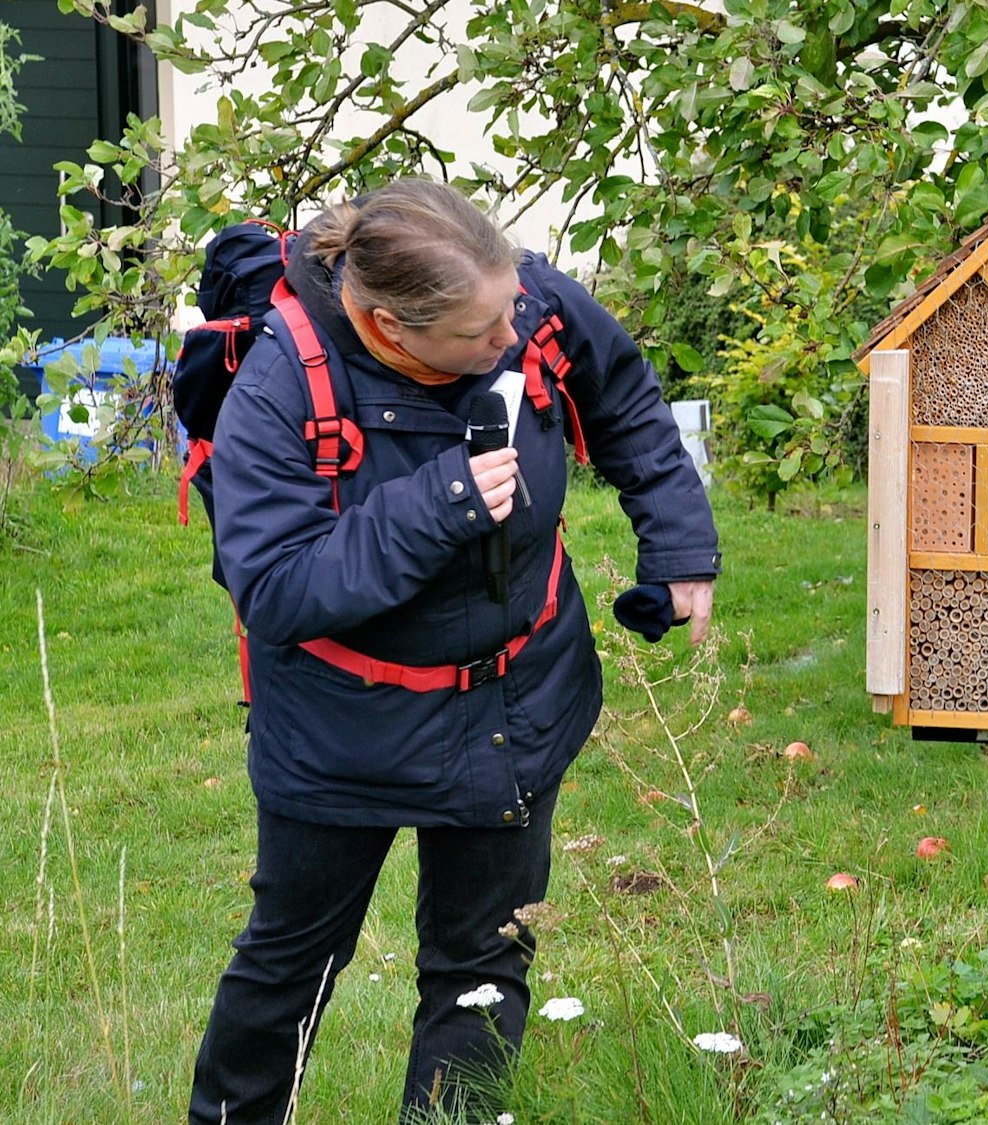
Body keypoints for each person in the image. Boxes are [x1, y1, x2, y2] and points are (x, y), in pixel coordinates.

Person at [188, 177, 720, 1124]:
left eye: (510, 310)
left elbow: (624, 391)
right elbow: (274, 587)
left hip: (514, 705)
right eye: (479, 337)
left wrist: (677, 543)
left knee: (483, 965)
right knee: (290, 962)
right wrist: (442, 505)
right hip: (339, 729)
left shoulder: (521, 300)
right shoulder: (281, 383)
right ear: (390, 327)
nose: (510, 341)